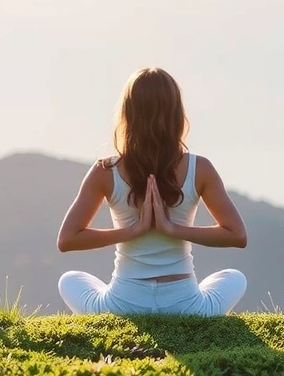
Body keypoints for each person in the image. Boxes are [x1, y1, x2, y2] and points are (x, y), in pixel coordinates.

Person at [56, 67, 248, 315]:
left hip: (123, 304)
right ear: (176, 113)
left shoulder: (105, 170)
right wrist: (172, 229)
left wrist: (134, 231)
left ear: (128, 112)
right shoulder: (199, 168)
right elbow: (236, 235)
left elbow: (67, 239)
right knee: (235, 277)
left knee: (69, 279)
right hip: (185, 305)